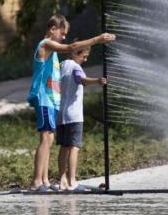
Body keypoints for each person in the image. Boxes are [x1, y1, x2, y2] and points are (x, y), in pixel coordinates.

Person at [27, 14, 115, 191]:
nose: (64, 36)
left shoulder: (53, 54)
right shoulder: (46, 44)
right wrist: (97, 39)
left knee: (50, 139)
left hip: (51, 100)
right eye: (62, 32)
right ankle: (37, 182)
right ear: (53, 29)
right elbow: (71, 47)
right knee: (46, 138)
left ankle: (44, 180)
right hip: (43, 97)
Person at [56, 47, 107, 191]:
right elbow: (81, 79)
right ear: (74, 53)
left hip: (61, 115)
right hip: (74, 115)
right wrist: (97, 80)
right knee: (74, 147)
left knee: (64, 147)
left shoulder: (62, 65)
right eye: (84, 56)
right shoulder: (76, 67)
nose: (85, 59)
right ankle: (72, 181)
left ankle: (62, 180)